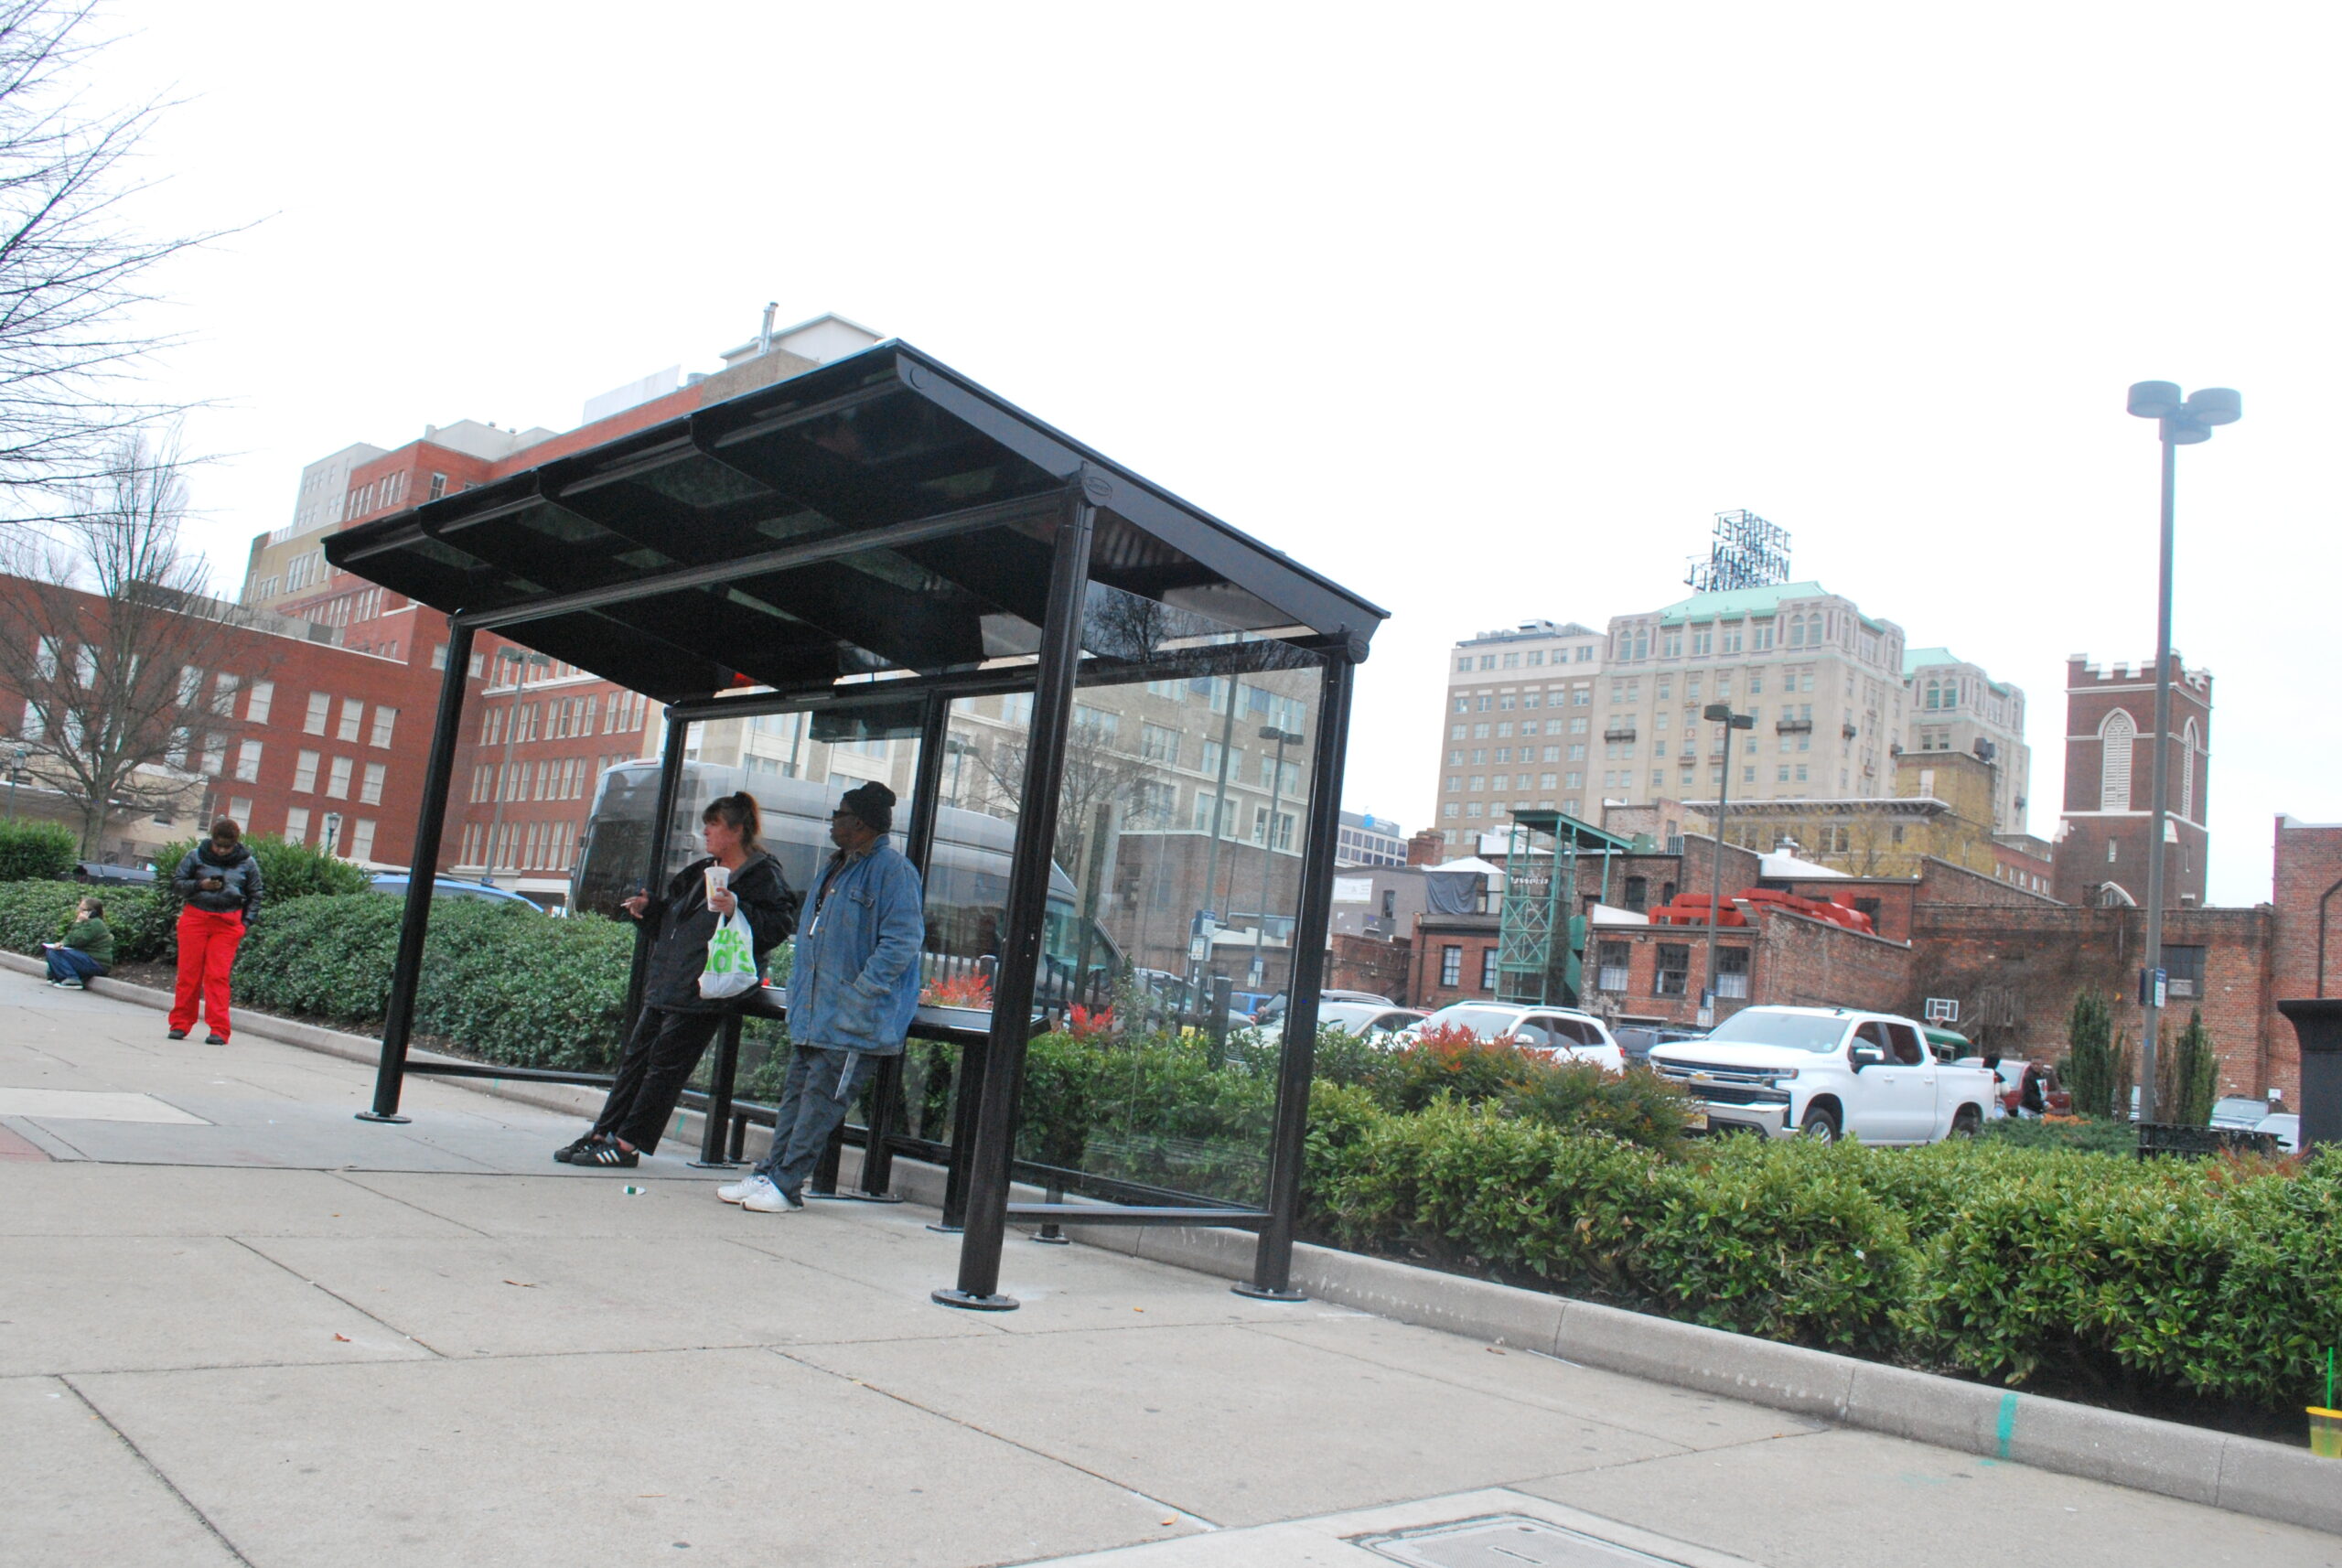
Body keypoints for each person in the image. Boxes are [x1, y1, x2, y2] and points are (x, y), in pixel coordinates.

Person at [561, 792, 798, 1169]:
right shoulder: (703, 869)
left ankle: (626, 1144)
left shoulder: (762, 874)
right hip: (669, 980)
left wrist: (738, 907)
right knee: (636, 1062)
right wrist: (648, 910)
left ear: (736, 831)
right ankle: (602, 1133)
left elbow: (779, 926)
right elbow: (673, 922)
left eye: (714, 824)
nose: (705, 831)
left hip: (705, 988)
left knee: (664, 1070)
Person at [721, 781, 924, 1214]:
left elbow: (902, 941)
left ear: (863, 823)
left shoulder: (892, 870)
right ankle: (772, 1173)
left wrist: (862, 993)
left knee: (818, 1109)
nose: (833, 821)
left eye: (841, 814)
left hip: (853, 1021)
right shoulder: (836, 867)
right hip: (817, 1015)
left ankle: (786, 1185)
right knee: (796, 1101)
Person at [169, 819, 263, 1044]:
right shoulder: (195, 856)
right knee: (188, 974)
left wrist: (245, 923)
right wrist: (200, 885)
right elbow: (177, 883)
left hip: (228, 922)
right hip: (196, 917)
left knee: (217, 976)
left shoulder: (247, 863)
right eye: (218, 845)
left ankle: (219, 1029)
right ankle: (180, 1024)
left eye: (226, 847)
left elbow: (256, 893)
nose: (221, 850)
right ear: (212, 839)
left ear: (235, 843)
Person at [43, 897, 113, 989]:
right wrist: (62, 943)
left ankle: (71, 979)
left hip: (97, 963)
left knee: (55, 953)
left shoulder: (95, 923)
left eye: (82, 909)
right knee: (53, 950)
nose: (78, 911)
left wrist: (78, 922)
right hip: (87, 959)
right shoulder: (87, 922)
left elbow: (77, 941)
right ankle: (57, 977)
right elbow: (70, 938)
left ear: (92, 911)